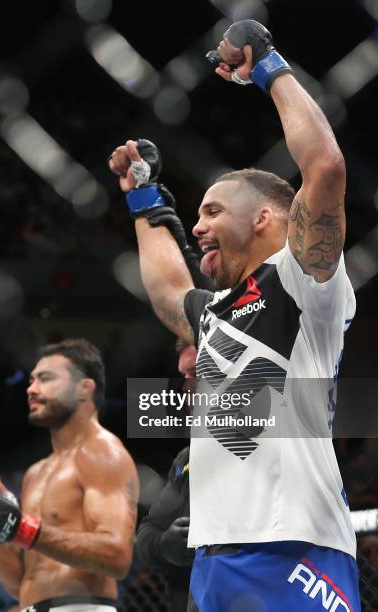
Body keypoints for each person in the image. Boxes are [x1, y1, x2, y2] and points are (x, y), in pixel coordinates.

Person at [108, 19, 360, 612]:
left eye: (212, 211)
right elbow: (170, 291)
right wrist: (143, 196)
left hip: (292, 546)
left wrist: (269, 66)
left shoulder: (302, 282)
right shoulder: (218, 311)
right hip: (215, 555)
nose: (196, 228)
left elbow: (324, 168)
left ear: (266, 219)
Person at [0, 338, 139, 612]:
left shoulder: (103, 453)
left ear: (84, 388)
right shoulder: (37, 473)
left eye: (45, 379)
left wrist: (23, 528)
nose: (31, 389)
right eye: (32, 380)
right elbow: (19, 582)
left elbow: (117, 556)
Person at [136, 339, 197, 612]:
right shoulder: (187, 458)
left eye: (196, 374)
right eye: (184, 376)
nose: (185, 387)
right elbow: (148, 533)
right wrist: (164, 546)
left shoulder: (278, 452)